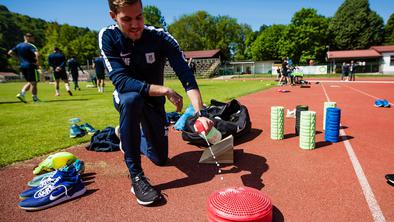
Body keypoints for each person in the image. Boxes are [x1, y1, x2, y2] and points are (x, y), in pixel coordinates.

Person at [99, 0, 214, 206]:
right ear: (113, 16)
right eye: (127, 19)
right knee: (132, 99)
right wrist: (165, 90)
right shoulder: (108, 36)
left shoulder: (160, 37)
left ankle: (125, 136)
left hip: (154, 103)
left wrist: (200, 113)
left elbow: (186, 75)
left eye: (139, 17)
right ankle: (136, 177)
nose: (135, 25)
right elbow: (121, 81)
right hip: (127, 96)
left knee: (160, 158)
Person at [8, 33, 41, 103]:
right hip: (31, 65)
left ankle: (22, 94)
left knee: (30, 81)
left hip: (22, 66)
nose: (33, 39)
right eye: (32, 37)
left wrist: (17, 58)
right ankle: (34, 98)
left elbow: (10, 52)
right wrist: (38, 64)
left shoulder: (18, 45)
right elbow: (37, 54)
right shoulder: (30, 45)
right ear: (28, 38)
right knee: (34, 83)